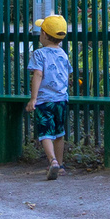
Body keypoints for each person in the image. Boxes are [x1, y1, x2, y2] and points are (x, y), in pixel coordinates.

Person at [28, 13, 72, 180]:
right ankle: (60, 166)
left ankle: (52, 161)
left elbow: (38, 75)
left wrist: (33, 99)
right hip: (61, 100)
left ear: (44, 35)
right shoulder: (63, 54)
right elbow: (67, 75)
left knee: (46, 133)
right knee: (59, 133)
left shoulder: (39, 54)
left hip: (44, 100)